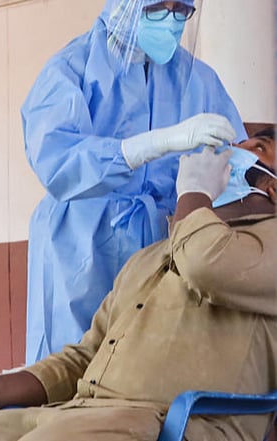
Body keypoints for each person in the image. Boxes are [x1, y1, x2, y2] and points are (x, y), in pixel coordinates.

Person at [0, 142, 276, 440]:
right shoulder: (149, 258)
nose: (222, 154)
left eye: (257, 147)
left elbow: (204, 263)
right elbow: (85, 356)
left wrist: (195, 193)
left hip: (172, 423)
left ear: (272, 187)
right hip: (77, 414)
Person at [21, 0, 249, 364]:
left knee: (151, 370)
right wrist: (154, 144)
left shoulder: (199, 80)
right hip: (81, 253)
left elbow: (236, 166)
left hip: (166, 248)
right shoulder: (71, 69)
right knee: (70, 371)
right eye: (159, 7)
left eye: (182, 10)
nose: (171, 20)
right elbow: (56, 160)